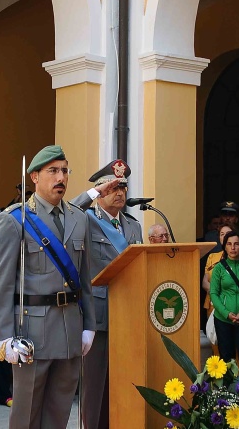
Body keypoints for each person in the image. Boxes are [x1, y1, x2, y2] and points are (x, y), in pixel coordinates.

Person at [0, 145, 96, 429]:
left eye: (65, 171)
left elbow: (84, 278)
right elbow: (0, 283)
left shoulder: (79, 217)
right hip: (32, 331)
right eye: (53, 171)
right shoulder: (15, 219)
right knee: (26, 413)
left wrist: (89, 324)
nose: (61, 177)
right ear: (34, 177)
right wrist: (4, 337)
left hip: (70, 327)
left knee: (59, 412)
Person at [70, 159, 141, 429]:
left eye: (122, 187)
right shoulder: (85, 219)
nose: (119, 192)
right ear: (100, 192)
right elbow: (66, 212)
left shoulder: (133, 225)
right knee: (94, 384)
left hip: (128, 312)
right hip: (98, 314)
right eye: (112, 187)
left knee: (122, 380)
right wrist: (91, 194)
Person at [209, 231, 239, 370]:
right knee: (226, 358)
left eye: (236, 244)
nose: (233, 248)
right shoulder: (219, 268)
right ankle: (227, 385)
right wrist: (226, 313)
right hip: (223, 319)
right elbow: (214, 293)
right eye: (229, 244)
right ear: (224, 247)